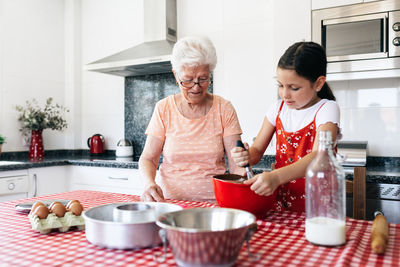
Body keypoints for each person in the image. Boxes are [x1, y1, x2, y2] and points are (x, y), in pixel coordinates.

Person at [231, 41, 340, 212]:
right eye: (280, 85)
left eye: (294, 88)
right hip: (283, 203)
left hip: (319, 205)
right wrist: (245, 156)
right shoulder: (277, 109)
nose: (284, 94)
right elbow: (257, 151)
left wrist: (275, 177)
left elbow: (319, 158)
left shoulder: (327, 109)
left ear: (318, 83)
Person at [139, 36, 243, 202]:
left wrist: (237, 194)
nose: (196, 87)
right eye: (187, 80)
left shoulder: (224, 108)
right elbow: (148, 159)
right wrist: (149, 183)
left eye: (203, 79)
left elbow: (237, 164)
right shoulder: (163, 108)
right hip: (169, 203)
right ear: (176, 75)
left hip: (215, 204)